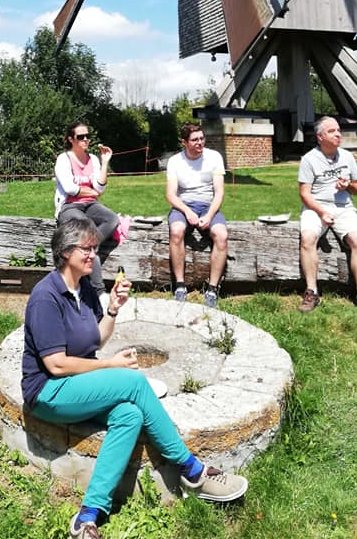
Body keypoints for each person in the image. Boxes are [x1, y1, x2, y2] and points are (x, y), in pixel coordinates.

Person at [22, 217, 248, 539]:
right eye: (86, 249)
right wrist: (110, 365)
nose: (92, 256)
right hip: (48, 392)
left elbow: (94, 342)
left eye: (95, 249)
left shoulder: (83, 288)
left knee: (129, 415)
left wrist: (113, 308)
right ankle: (193, 471)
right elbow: (56, 365)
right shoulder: (46, 296)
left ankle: (87, 516)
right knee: (134, 382)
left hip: (75, 385)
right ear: (65, 253)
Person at [297, 116, 357, 312]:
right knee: (308, 238)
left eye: (338, 130)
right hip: (316, 207)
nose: (338, 134)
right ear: (320, 137)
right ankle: (311, 292)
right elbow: (304, 194)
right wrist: (321, 212)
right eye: (332, 131)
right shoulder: (309, 160)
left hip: (344, 207)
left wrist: (349, 186)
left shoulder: (347, 157)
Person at [165, 122, 228, 307]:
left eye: (202, 138)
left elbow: (219, 192)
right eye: (195, 140)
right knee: (176, 231)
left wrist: (209, 215)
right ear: (184, 142)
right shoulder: (175, 161)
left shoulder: (214, 157)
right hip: (183, 205)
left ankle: (212, 288)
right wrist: (187, 211)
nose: (200, 143)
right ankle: (180, 285)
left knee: (221, 236)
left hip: (209, 205)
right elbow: (170, 194)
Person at [55, 121, 119, 300]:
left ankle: (88, 247)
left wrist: (105, 162)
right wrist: (90, 191)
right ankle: (99, 291)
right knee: (88, 227)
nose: (85, 140)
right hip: (69, 206)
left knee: (112, 219)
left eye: (87, 136)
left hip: (90, 205)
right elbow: (69, 188)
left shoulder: (93, 159)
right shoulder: (64, 159)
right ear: (71, 139)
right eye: (80, 137)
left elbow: (100, 187)